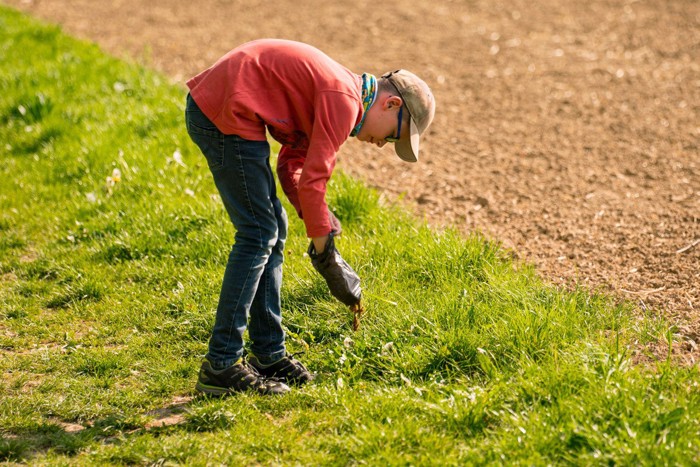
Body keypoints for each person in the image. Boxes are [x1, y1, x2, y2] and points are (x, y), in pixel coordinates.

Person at [185, 39, 435, 396]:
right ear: (391, 104)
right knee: (258, 234)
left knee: (271, 229)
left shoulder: (342, 95)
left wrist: (318, 220)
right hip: (224, 112)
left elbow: (292, 166)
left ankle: (269, 355)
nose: (383, 145)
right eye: (393, 135)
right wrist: (327, 256)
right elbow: (315, 179)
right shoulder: (344, 101)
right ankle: (221, 365)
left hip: (227, 108)